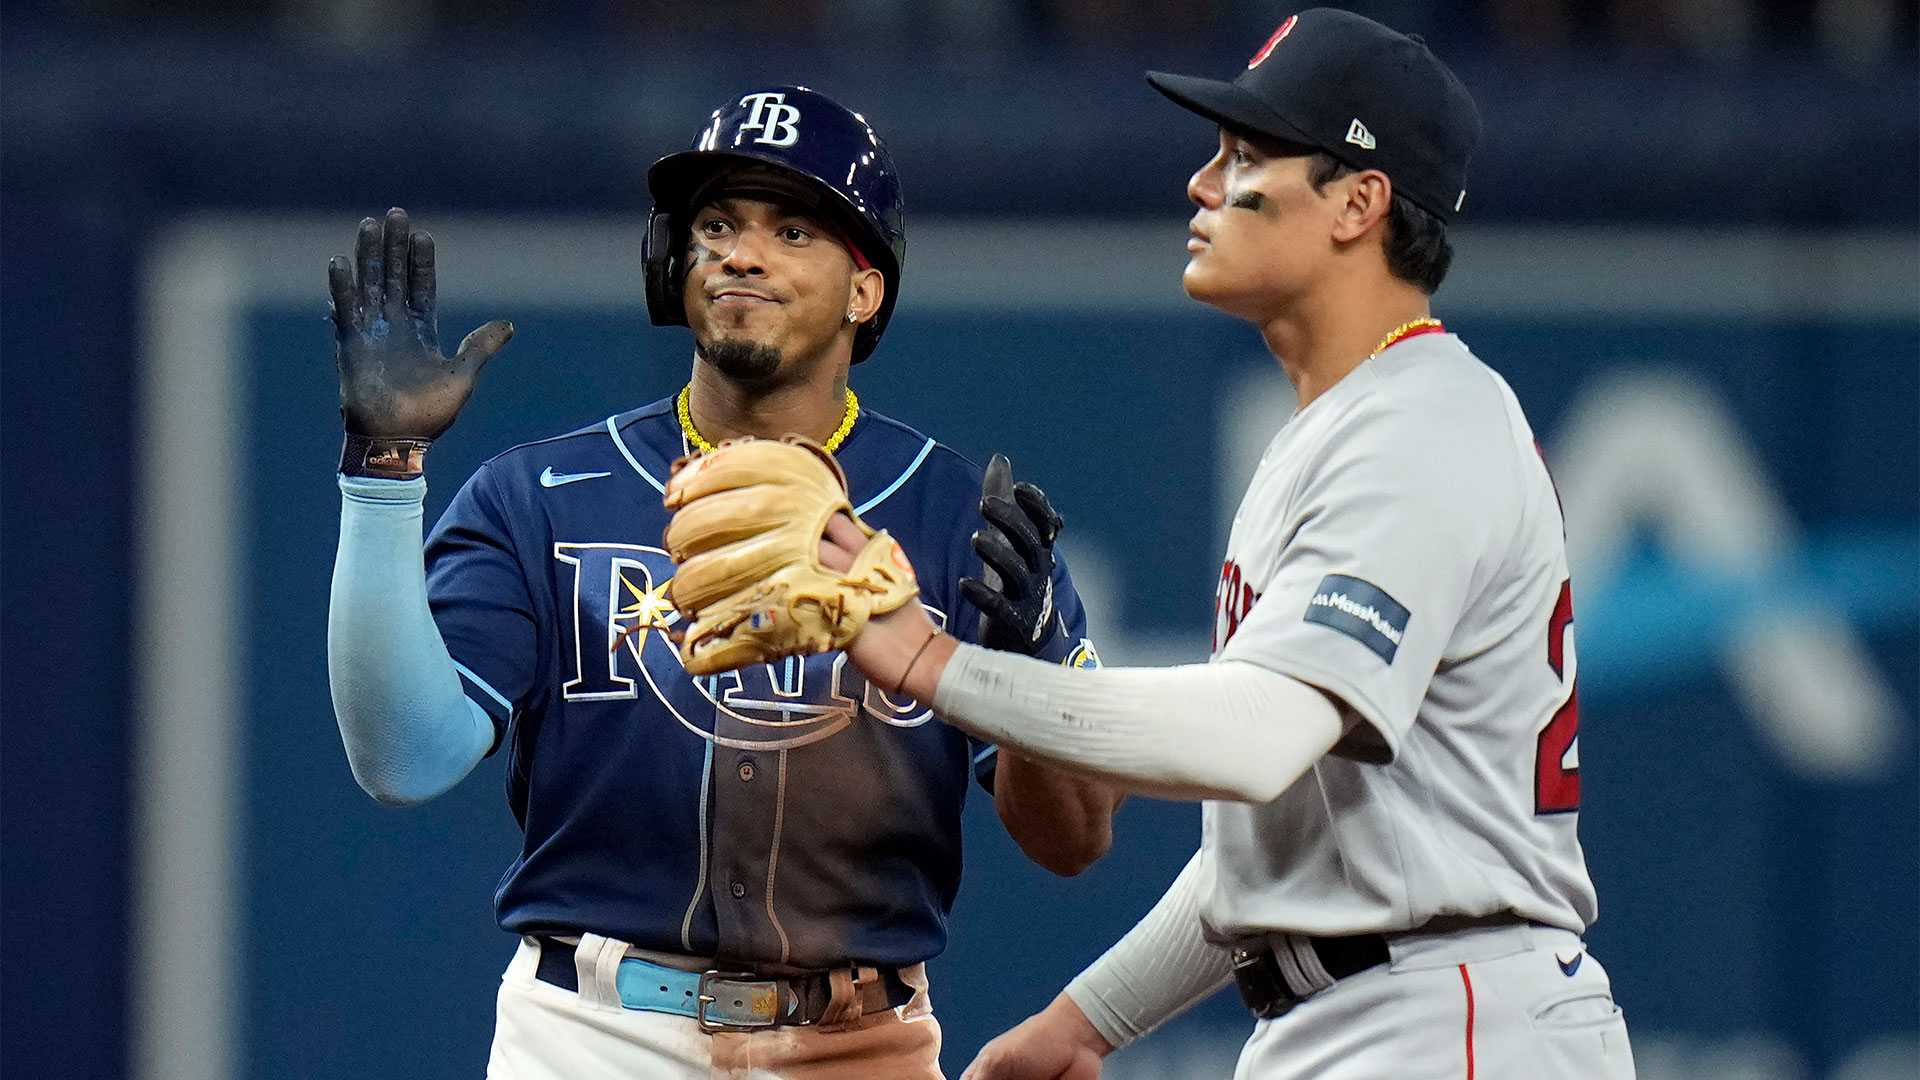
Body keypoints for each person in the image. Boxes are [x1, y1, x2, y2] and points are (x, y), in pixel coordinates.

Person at [716, 12, 1633, 1079]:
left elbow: (1252, 740)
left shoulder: (1420, 428)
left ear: (1358, 200)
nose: (1203, 185)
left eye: (1246, 157)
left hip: (1449, 1016)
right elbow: (1297, 834)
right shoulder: (1353, 424)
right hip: (1383, 1005)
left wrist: (931, 660)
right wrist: (1089, 1018)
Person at [324, 85, 1119, 1080]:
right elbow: (404, 756)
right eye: (715, 224)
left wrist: (1030, 681)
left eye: (792, 229)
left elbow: (1076, 840)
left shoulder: (956, 514)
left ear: (865, 289)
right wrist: (385, 468)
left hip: (860, 1043)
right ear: (673, 264)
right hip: (594, 1037)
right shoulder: (543, 494)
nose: (742, 253)